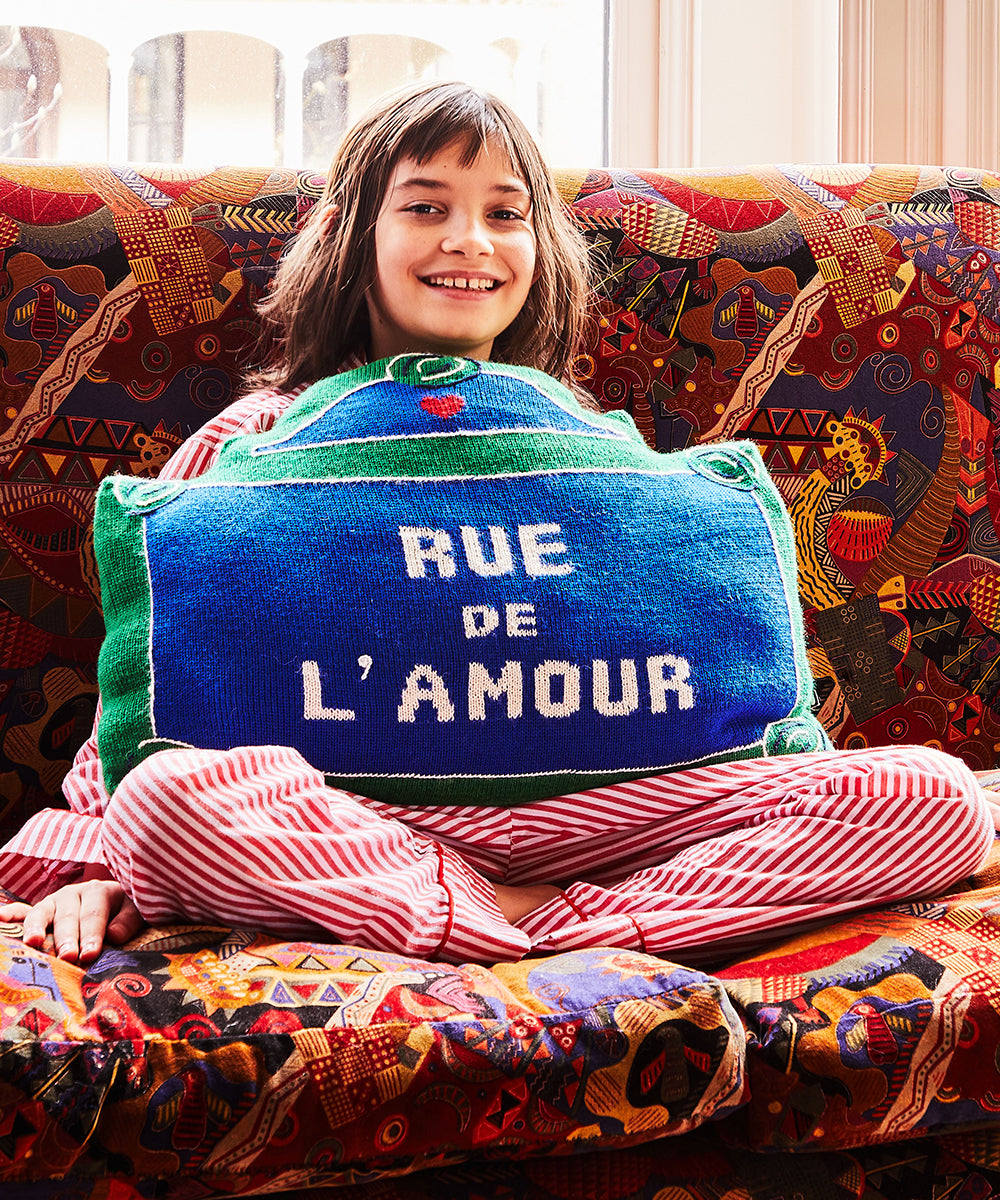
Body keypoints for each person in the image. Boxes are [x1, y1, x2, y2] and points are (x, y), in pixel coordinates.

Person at [0, 81, 996, 970]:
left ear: (539, 246)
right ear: (354, 234)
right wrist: (95, 855)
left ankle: (519, 922)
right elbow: (162, 668)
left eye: (503, 215)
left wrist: (786, 786)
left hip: (626, 818)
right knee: (163, 806)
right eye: (425, 207)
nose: (468, 240)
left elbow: (706, 645)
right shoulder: (258, 437)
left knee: (933, 797)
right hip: (372, 821)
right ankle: (532, 918)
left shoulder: (581, 439)